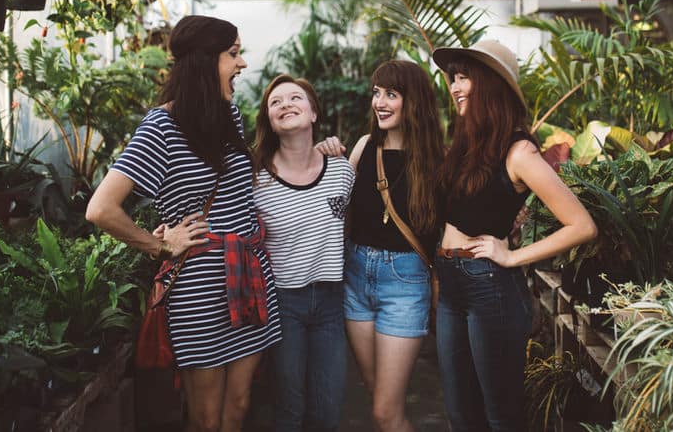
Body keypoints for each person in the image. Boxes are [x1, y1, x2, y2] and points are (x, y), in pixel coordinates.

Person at [86, 15, 281, 432]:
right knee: (206, 419)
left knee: (239, 407)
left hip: (248, 276)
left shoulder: (230, 117)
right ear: (204, 61)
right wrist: (159, 244)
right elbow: (101, 208)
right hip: (200, 289)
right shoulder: (160, 127)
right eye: (233, 54)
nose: (242, 63)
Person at [431, 40, 598, 432]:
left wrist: (510, 256)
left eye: (463, 78)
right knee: (460, 415)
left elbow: (582, 225)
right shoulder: (467, 145)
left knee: (500, 417)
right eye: (453, 78)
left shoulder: (518, 150)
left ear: (490, 83)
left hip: (489, 287)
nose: (454, 87)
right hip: (452, 285)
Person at [341, 59, 445, 432]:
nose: (380, 102)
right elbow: (335, 205)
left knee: (385, 412)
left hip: (404, 283)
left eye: (391, 94)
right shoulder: (365, 146)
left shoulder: (438, 161)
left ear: (413, 100)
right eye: (377, 93)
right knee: (379, 401)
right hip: (356, 278)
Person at [251, 74, 355, 432]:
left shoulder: (341, 170)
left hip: (331, 300)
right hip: (283, 303)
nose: (285, 105)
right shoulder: (256, 179)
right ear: (269, 120)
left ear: (313, 113)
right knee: (289, 408)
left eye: (295, 98)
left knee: (327, 411)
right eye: (276, 102)